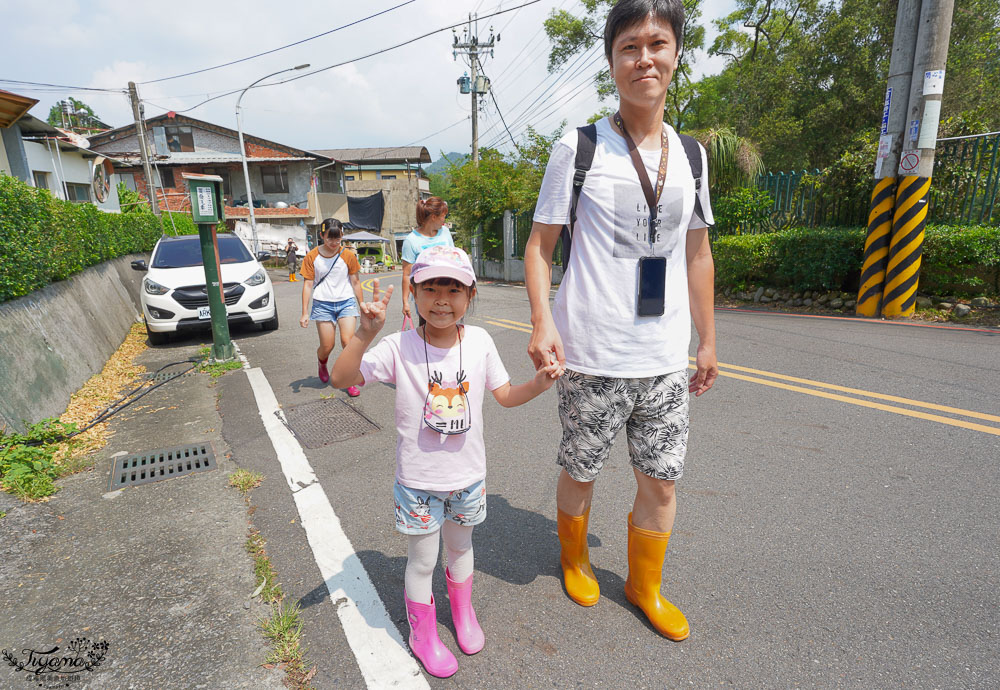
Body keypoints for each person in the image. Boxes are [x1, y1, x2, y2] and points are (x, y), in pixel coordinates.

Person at [523, 0, 718, 642]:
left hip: (663, 358)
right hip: (592, 354)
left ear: (676, 54)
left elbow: (696, 252)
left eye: (657, 44)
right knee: (581, 471)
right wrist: (541, 323)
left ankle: (645, 584)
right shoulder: (578, 148)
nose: (645, 58)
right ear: (612, 61)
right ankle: (574, 558)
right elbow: (539, 246)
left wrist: (708, 339)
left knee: (661, 482)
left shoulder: (692, 154)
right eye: (629, 46)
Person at [330, 245, 561, 678]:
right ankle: (422, 635)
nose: (441, 299)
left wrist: (538, 385)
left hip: (468, 479)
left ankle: (463, 613)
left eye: (453, 289)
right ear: (413, 293)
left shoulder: (479, 341)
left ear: (470, 296)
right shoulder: (399, 347)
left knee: (461, 548)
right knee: (422, 561)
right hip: (418, 482)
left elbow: (507, 396)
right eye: (430, 287)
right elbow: (342, 379)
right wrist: (364, 334)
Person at [300, 219, 364, 397]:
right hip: (322, 304)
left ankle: (349, 379)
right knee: (327, 346)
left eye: (338, 239)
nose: (334, 243)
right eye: (330, 238)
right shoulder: (312, 256)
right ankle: (322, 362)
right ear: (322, 235)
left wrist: (362, 305)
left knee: (348, 342)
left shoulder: (348, 256)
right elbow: (307, 285)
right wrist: (305, 312)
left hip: (346, 302)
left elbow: (356, 282)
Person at [400, 196, 454, 320]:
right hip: (425, 295)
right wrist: (405, 302)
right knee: (428, 331)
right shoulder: (411, 241)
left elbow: (453, 259)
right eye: (443, 216)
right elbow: (407, 274)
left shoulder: (445, 232)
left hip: (448, 291)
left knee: (448, 329)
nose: (444, 220)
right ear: (434, 217)